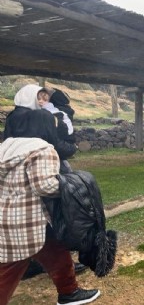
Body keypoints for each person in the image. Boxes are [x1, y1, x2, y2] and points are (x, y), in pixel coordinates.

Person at [0, 112, 100, 305]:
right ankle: (69, 293)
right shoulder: (43, 149)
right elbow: (44, 186)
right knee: (9, 269)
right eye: (53, 125)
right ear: (43, 126)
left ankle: (69, 293)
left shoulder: (5, 148)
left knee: (56, 251)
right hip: (30, 221)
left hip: (8, 218)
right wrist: (73, 186)